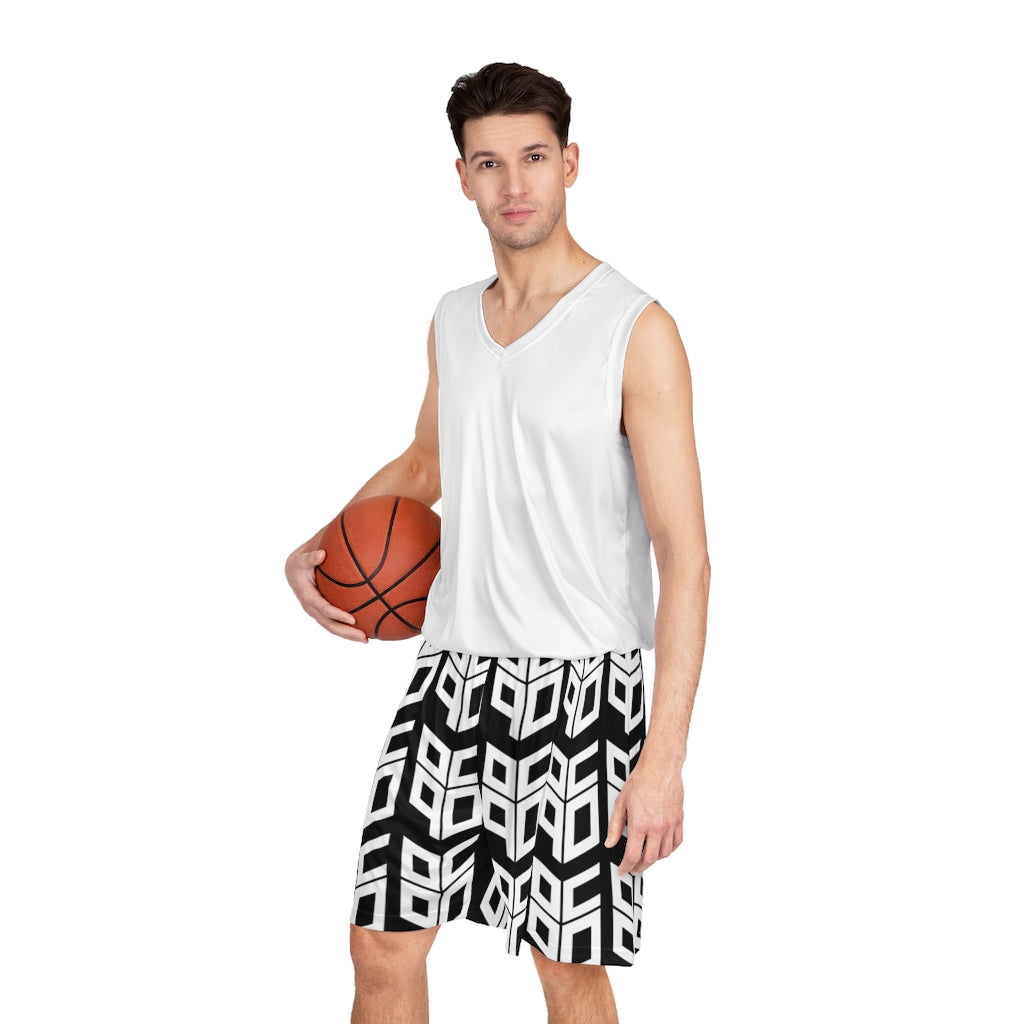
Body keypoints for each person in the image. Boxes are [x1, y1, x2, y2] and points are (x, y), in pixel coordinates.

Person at [285, 62, 710, 1024]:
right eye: (489, 163)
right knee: (381, 943)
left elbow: (686, 557)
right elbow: (427, 462)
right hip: (452, 674)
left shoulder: (636, 329)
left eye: (532, 158)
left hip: (584, 687)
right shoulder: (453, 318)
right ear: (463, 178)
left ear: (570, 163)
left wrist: (663, 758)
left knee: (565, 969)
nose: (513, 185)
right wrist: (314, 549)